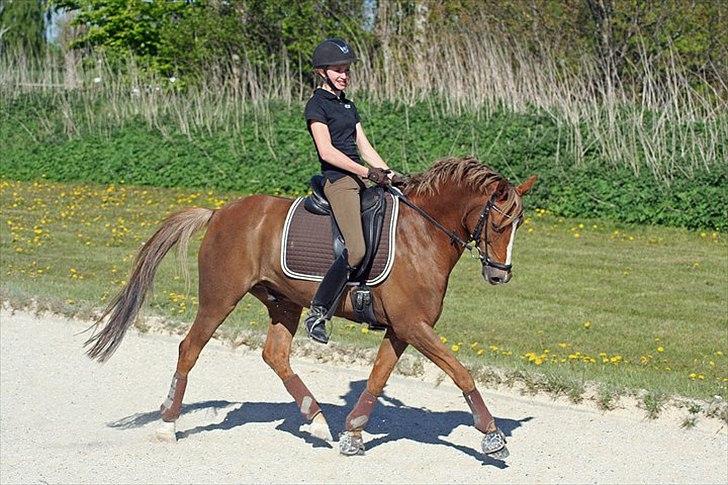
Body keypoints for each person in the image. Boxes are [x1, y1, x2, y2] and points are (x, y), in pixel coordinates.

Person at [303, 38, 392, 344]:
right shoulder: (316, 105)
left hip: (358, 178)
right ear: (321, 72)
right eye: (337, 70)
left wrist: (391, 174)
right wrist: (367, 172)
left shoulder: (347, 105)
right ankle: (318, 311)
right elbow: (327, 152)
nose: (343, 75)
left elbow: (363, 146)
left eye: (346, 70)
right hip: (338, 181)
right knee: (355, 249)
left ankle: (374, 303)